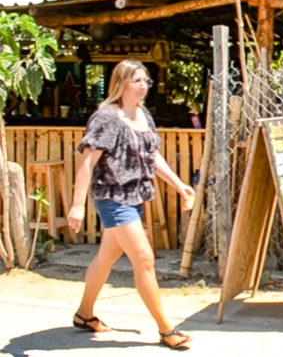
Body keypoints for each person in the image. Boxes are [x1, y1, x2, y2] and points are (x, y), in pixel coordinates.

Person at [66, 59, 195, 349]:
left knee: (106, 257)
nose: (143, 86)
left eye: (146, 81)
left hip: (135, 196)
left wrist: (178, 184)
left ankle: (84, 314)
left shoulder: (143, 115)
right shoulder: (106, 118)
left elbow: (152, 156)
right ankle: (166, 329)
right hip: (112, 197)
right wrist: (77, 205)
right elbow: (87, 163)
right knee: (144, 258)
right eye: (137, 80)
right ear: (121, 83)